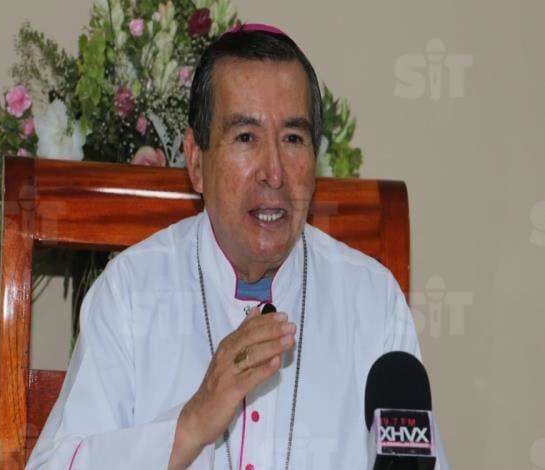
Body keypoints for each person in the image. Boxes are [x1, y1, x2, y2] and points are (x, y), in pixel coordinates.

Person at [27, 25, 449, 470]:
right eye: (246, 137)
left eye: (293, 139)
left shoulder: (372, 301)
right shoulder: (131, 292)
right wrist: (191, 423)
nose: (274, 172)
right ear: (196, 161)